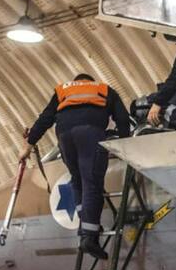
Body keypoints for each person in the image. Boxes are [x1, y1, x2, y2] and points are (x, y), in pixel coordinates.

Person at [22, 73, 131, 260]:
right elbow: (122, 118)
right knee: (92, 183)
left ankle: (86, 226)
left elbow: (45, 119)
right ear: (91, 82)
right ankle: (89, 237)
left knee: (78, 180)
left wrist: (28, 144)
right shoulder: (104, 89)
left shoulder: (63, 90)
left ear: (76, 81)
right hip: (90, 133)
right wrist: (125, 144)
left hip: (64, 137)